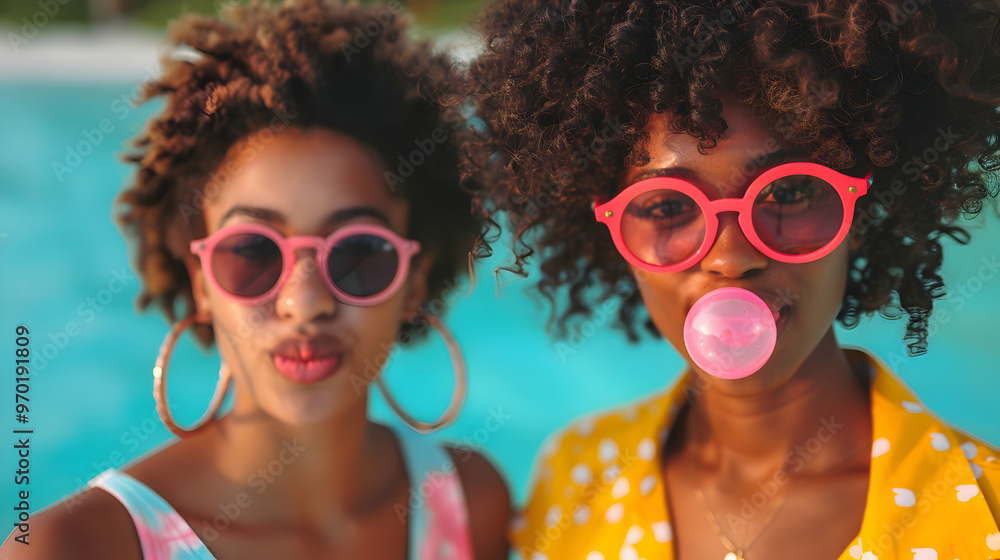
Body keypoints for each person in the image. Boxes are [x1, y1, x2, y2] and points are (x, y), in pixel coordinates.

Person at [465, 0, 1000, 557]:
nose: (731, 257)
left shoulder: (984, 513)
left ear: (859, 214)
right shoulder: (572, 484)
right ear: (613, 235)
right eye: (667, 206)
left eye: (788, 192)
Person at [1, 1, 509, 558]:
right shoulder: (73, 547)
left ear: (415, 280)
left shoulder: (471, 501)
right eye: (252, 252)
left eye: (359, 253)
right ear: (200, 281)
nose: (304, 302)